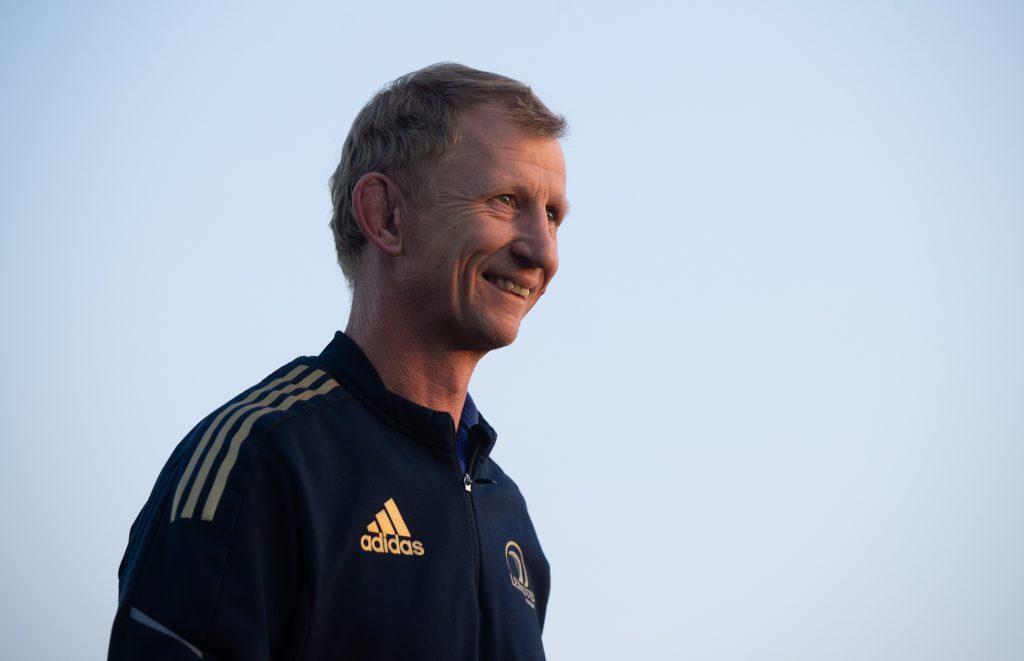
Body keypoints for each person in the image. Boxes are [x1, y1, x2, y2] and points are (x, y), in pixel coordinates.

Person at [108, 63, 569, 660]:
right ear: (385, 217)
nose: (542, 252)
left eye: (554, 216)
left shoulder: (508, 515)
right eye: (506, 200)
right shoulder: (261, 460)